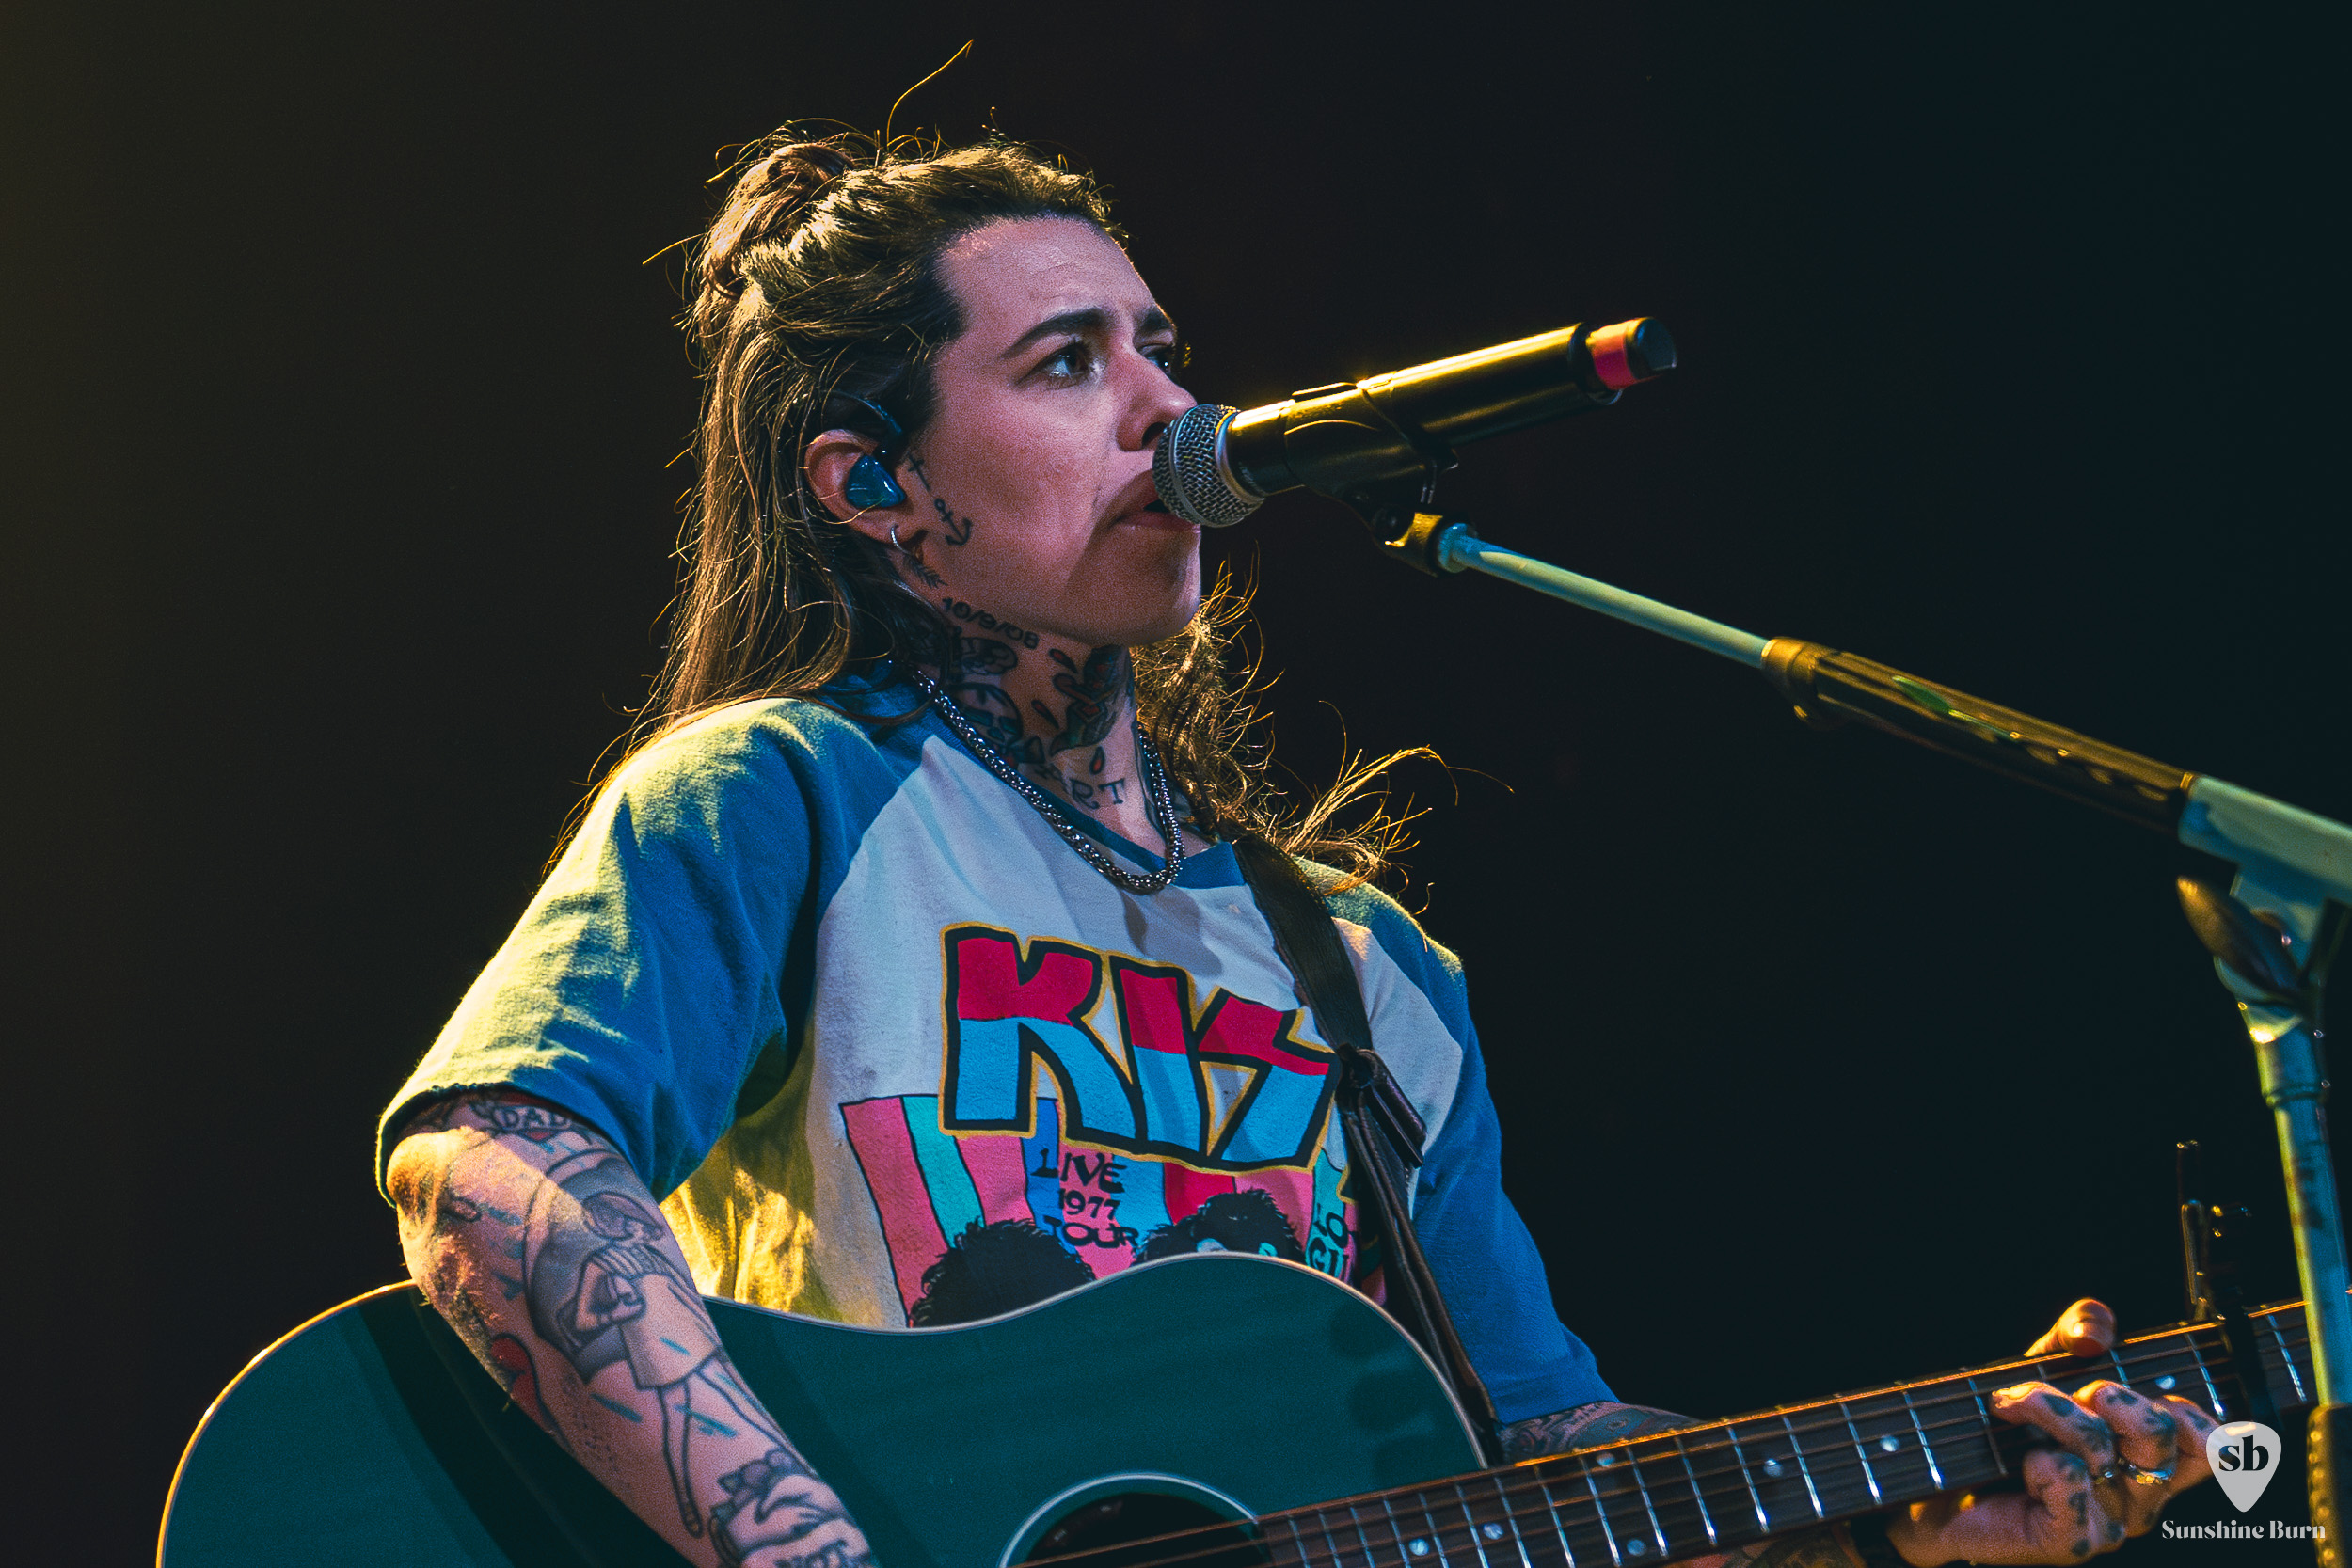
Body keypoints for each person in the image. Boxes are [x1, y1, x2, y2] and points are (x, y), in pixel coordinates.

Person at [382, 133, 2218, 1568]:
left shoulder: (1367, 968)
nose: (1173, 413)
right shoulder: (783, 797)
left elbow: (1545, 1468)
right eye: (1067, 363)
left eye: (1161, 351)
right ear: (875, 486)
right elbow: (488, 1164)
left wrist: (1895, 1526)